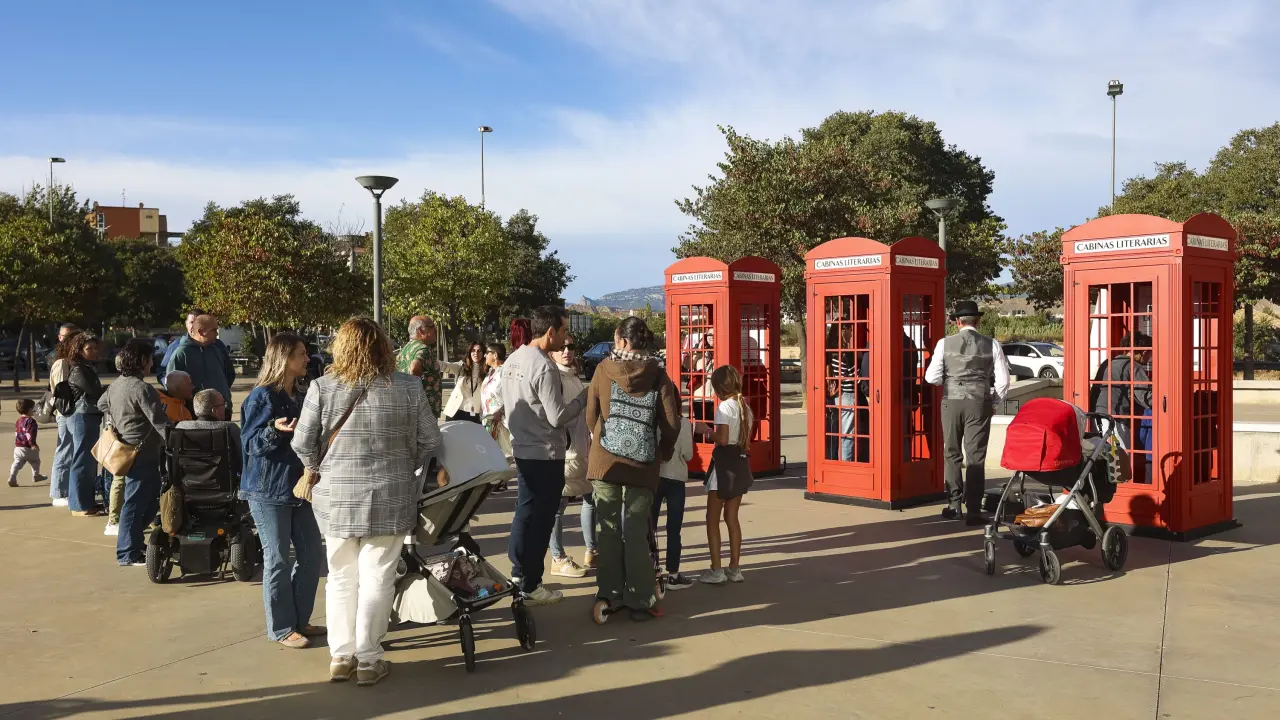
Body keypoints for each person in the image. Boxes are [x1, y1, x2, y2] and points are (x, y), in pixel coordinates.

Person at [292, 317, 441, 686]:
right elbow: (430, 440)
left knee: (340, 577)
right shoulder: (408, 386)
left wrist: (317, 467)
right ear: (384, 348)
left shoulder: (322, 387)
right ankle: (370, 659)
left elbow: (302, 442)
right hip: (391, 494)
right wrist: (405, 463)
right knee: (378, 577)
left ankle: (341, 656)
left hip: (336, 498)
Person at [585, 317, 680, 620]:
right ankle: (640, 598)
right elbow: (671, 422)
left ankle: (609, 594)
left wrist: (602, 438)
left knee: (608, 530)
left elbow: (591, 415)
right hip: (643, 463)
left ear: (623, 342)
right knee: (637, 531)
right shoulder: (658, 374)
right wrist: (663, 452)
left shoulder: (603, 369)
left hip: (606, 462)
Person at [240, 333, 326, 650]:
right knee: (277, 559)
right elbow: (250, 444)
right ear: (284, 358)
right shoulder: (262, 397)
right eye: (301, 354)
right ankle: (281, 627)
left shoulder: (301, 395)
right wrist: (272, 431)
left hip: (299, 487)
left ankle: (300, 620)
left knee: (311, 554)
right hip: (268, 490)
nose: (307, 359)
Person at [501, 306, 588, 606]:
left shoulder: (513, 359)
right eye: (563, 331)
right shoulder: (544, 367)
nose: (565, 339)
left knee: (524, 512)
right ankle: (531, 584)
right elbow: (557, 416)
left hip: (522, 449)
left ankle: (518, 573)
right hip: (546, 453)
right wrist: (582, 398)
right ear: (550, 332)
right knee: (542, 519)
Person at [924, 301, 1011, 525]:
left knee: (952, 453)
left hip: (951, 402)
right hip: (979, 403)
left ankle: (954, 505)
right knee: (976, 457)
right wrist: (992, 402)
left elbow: (931, 377)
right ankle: (973, 510)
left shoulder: (944, 343)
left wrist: (950, 381)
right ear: (978, 321)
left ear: (957, 322)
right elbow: (1003, 381)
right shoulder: (992, 344)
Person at [96, 339, 174, 566]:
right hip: (141, 452)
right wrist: (181, 439)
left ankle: (133, 544)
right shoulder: (143, 389)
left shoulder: (116, 385)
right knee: (136, 503)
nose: (152, 364)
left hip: (127, 450)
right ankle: (127, 552)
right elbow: (160, 422)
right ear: (141, 360)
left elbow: (101, 404)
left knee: (145, 501)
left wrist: (121, 418)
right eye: (150, 359)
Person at [700, 365, 754, 585]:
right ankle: (735, 568)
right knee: (732, 518)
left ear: (720, 388)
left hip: (723, 466)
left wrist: (706, 431)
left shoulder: (724, 407)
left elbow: (722, 439)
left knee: (712, 519)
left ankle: (716, 569)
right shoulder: (745, 407)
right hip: (740, 464)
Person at [548, 337, 593, 578]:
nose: (567, 351)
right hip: (565, 451)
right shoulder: (554, 376)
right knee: (558, 506)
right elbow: (558, 415)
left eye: (571, 347)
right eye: (561, 347)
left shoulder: (573, 374)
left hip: (582, 448)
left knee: (591, 498)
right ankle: (557, 557)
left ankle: (592, 550)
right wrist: (583, 399)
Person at [65, 333, 106, 516]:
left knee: (88, 461)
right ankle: (79, 505)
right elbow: (95, 392)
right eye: (89, 348)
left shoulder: (87, 368)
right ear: (79, 350)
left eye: (95, 348)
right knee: (82, 460)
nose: (94, 351)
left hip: (88, 416)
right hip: (82, 417)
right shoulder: (79, 370)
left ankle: (86, 502)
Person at [653, 414, 694, 590]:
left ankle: (650, 570)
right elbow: (688, 454)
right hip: (676, 478)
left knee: (650, 528)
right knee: (673, 529)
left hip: (655, 477)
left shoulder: (654, 418)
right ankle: (673, 575)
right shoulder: (683, 423)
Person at [396, 315, 463, 420]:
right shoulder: (423, 349)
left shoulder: (405, 350)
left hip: (407, 409)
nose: (435, 331)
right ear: (420, 331)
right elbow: (414, 368)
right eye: (432, 327)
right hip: (424, 412)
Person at [166, 314, 235, 406]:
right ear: (201, 331)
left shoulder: (216, 350)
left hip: (222, 408)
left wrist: (225, 398)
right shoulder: (182, 353)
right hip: (196, 411)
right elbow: (172, 387)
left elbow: (227, 376)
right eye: (214, 330)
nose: (217, 334)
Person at [47, 332, 80, 506]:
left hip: (71, 413)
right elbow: (61, 391)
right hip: (66, 413)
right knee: (65, 451)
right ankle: (58, 493)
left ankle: (65, 490)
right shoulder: (62, 364)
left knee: (70, 451)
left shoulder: (72, 363)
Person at [157, 309, 228, 385]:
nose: (194, 326)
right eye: (191, 322)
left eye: (197, 323)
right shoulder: (177, 346)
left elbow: (228, 372)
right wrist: (176, 388)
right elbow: (163, 373)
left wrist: (222, 389)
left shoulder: (217, 345)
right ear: (186, 324)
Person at [443, 342, 486, 423]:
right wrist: (434, 363)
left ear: (483, 353)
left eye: (479, 351)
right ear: (469, 353)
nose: (476, 353)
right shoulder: (462, 366)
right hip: (455, 410)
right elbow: (446, 366)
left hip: (474, 412)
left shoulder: (487, 371)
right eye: (473, 350)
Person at [9, 399, 47, 487]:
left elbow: (17, 432)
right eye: (34, 408)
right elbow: (30, 433)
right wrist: (33, 444)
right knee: (35, 461)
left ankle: (12, 476)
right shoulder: (30, 421)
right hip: (28, 446)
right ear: (30, 410)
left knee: (17, 462)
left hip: (18, 446)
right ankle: (36, 475)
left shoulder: (18, 420)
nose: (35, 410)